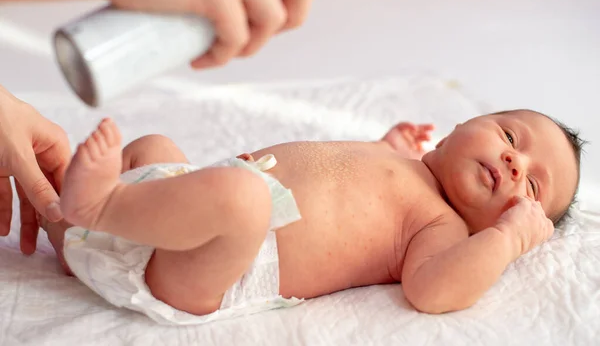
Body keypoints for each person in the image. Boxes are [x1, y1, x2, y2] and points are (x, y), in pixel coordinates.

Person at [40, 109, 584, 324]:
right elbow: (347, 177)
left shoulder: (439, 225)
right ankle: (68, 223)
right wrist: (385, 144)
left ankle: (103, 206)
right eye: (511, 136)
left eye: (532, 186)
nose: (515, 161)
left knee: (244, 199)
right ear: (462, 124)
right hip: (179, 209)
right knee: (157, 147)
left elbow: (435, 290)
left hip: (214, 268)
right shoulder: (403, 163)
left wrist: (510, 241)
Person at [0, 0, 324, 252]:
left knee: (242, 197)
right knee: (158, 150)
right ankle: (84, 217)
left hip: (228, 253)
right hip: (213, 232)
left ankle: (98, 211)